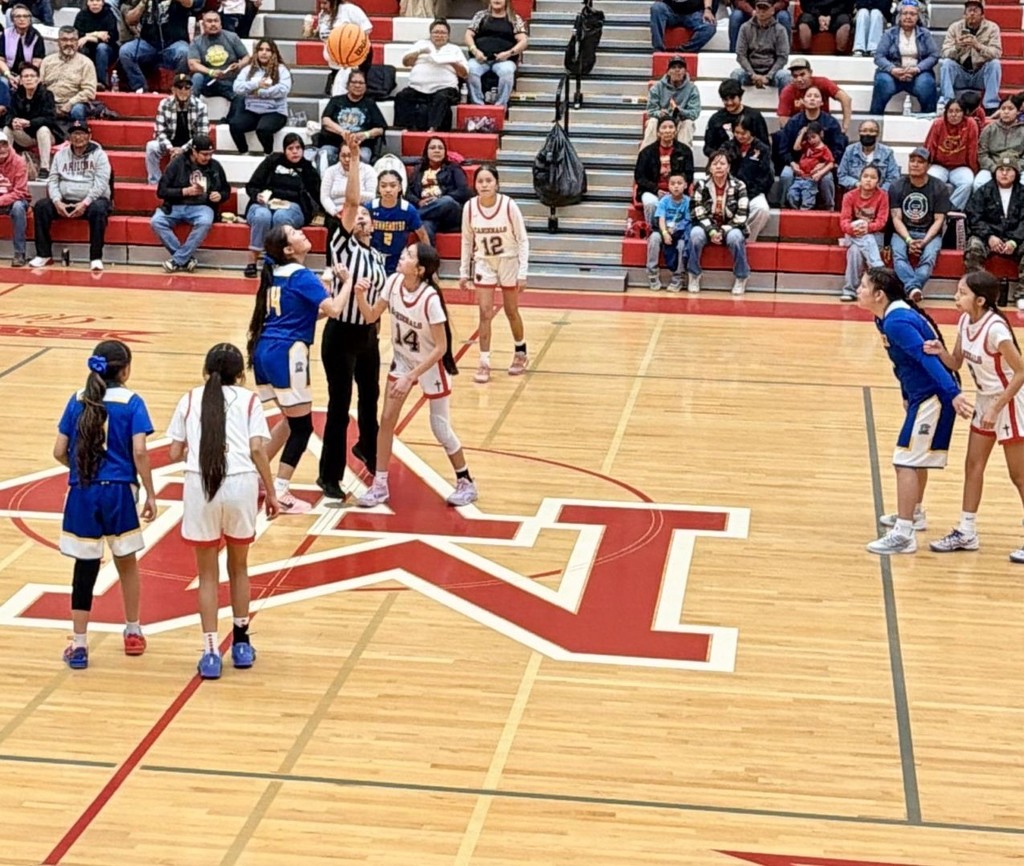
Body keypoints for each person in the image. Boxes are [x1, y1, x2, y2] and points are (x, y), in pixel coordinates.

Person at [166, 342, 280, 680]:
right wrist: (272, 491)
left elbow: (174, 453)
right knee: (239, 567)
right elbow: (257, 449)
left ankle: (211, 651)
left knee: (207, 574)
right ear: (241, 374)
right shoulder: (250, 401)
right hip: (240, 484)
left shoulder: (189, 399)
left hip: (201, 484)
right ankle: (241, 644)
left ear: (206, 371)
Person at [53, 340, 157, 669]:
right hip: (119, 493)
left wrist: (81, 470)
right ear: (125, 370)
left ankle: (79, 645)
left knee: (84, 567)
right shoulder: (132, 401)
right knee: (126, 562)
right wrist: (150, 492)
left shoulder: (77, 399)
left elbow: (58, 451)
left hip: (83, 492)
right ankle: (133, 631)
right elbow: (139, 451)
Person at [856, 267, 971, 555]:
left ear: (879, 295)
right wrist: (906, 394)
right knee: (913, 459)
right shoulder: (884, 318)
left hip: (934, 393)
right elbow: (901, 363)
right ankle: (914, 512)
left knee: (904, 460)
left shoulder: (897, 321)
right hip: (921, 393)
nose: (858, 290)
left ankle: (904, 534)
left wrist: (953, 394)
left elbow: (927, 357)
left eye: (863, 286)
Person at [355, 243, 478, 508]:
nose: (402, 255)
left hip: (429, 365)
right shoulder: (393, 282)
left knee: (439, 427)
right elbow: (371, 316)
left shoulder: (430, 299)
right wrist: (360, 296)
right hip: (403, 361)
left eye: (409, 255)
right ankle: (380, 485)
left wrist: (411, 376)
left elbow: (441, 347)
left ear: (420, 269)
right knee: (386, 420)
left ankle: (466, 481)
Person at [246, 224, 357, 513]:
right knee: (302, 427)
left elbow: (304, 314)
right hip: (287, 353)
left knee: (289, 419)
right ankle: (281, 489)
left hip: (265, 350)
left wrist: (327, 295)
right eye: (294, 232)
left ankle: (253, 475)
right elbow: (334, 310)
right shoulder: (301, 275)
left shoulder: (276, 274)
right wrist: (347, 283)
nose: (300, 232)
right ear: (288, 249)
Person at [922, 270, 1024, 560]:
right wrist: (940, 351)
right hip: (985, 399)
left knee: (1019, 475)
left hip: (1010, 401)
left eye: (962, 293)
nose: (956, 297)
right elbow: (956, 362)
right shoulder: (965, 320)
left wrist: (996, 407)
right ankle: (966, 531)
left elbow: (1021, 372)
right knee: (973, 465)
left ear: (980, 300)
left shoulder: (996, 329)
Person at [318, 136, 388, 500]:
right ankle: (329, 475)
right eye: (356, 215)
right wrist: (356, 159)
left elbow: (377, 300)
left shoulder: (376, 257)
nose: (360, 216)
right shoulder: (341, 244)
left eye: (365, 216)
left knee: (370, 399)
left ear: (372, 224)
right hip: (340, 335)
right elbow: (351, 200)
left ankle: (369, 451)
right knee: (339, 406)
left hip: (367, 335)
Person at [458, 164, 529, 383]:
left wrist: (523, 272)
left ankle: (521, 352)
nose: (484, 185)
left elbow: (523, 240)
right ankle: (484, 362)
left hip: (508, 261)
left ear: (497, 184)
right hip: (484, 262)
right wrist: (463, 272)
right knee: (484, 312)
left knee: (511, 310)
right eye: (480, 181)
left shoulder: (509, 205)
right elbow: (467, 241)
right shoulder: (470, 207)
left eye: (488, 180)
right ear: (475, 185)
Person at [29, 119, 111, 272]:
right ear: (69, 137)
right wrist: (57, 201)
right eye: (74, 134)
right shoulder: (60, 155)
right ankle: (43, 254)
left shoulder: (100, 155)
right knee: (41, 206)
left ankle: (96, 257)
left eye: (81, 133)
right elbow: (53, 180)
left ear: (89, 136)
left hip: (91, 200)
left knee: (99, 209)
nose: (78, 137)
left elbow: (101, 183)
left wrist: (85, 203)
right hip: (64, 200)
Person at [243, 133, 321, 277]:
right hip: (265, 203)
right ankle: (252, 261)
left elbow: (318, 194)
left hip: (292, 207)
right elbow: (251, 186)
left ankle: (276, 261)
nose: (295, 152)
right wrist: (257, 195)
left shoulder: (307, 168)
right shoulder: (272, 161)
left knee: (280, 217)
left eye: (298, 148)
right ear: (284, 150)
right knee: (262, 216)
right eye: (290, 148)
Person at [151, 134, 230, 273]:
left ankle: (178, 260)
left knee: (205, 222)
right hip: (174, 205)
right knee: (156, 221)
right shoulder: (176, 163)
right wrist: (184, 191)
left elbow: (226, 190)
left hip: (203, 206)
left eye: (210, 154)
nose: (208, 158)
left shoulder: (215, 166)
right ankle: (186, 259)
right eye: (204, 154)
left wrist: (220, 196)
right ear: (194, 151)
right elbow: (161, 191)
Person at [889, 147, 950, 301]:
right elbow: (896, 218)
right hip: (903, 231)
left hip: (929, 232)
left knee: (928, 258)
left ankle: (909, 289)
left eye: (920, 162)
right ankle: (914, 289)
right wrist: (909, 240)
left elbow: (939, 220)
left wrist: (924, 242)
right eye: (912, 161)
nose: (915, 164)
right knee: (898, 256)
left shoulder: (939, 187)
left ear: (928, 166)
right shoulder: (896, 186)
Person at [688, 149, 750, 295]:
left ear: (728, 167)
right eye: (715, 164)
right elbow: (697, 211)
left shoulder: (739, 185)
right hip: (707, 226)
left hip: (732, 227)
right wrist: (711, 230)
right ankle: (694, 275)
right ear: (710, 167)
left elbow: (742, 215)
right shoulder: (701, 185)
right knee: (695, 234)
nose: (719, 167)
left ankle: (741, 277)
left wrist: (722, 231)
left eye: (722, 163)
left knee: (735, 238)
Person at [394, 18, 467, 133]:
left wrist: (452, 61)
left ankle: (433, 128)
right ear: (430, 34)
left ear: (448, 35)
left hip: (444, 87)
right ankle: (406, 128)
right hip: (417, 88)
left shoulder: (454, 49)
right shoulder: (421, 44)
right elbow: (406, 62)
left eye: (443, 33)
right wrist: (419, 52)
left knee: (442, 97)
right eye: (436, 32)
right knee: (402, 96)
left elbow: (464, 74)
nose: (439, 35)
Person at [775, 87, 845, 204]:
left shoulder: (831, 123)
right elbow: (783, 149)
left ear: (822, 102)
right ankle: (783, 206)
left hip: (822, 164)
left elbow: (838, 149)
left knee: (827, 178)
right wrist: (792, 163)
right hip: (797, 163)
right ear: (803, 100)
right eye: (809, 96)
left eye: (816, 96)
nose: (812, 99)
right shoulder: (793, 122)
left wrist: (823, 164)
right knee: (786, 175)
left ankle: (829, 207)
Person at [964, 152, 1024, 284]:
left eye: (1008, 170)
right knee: (974, 247)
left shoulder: (1022, 192)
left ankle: (1022, 292)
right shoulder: (983, 191)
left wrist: (1014, 241)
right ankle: (976, 289)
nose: (1004, 173)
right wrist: (989, 236)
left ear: (1016, 173)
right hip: (987, 237)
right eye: (1001, 169)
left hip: (1016, 238)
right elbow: (974, 218)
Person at [869, 1, 938, 114]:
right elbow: (879, 56)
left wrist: (917, 69)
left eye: (912, 14)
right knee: (883, 81)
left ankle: (928, 117)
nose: (908, 17)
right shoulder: (889, 33)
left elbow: (934, 55)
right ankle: (874, 118)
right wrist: (892, 69)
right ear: (899, 16)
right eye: (905, 13)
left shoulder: (925, 34)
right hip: (893, 73)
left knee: (926, 83)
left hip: (917, 73)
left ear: (918, 17)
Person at [938, 0, 1002, 114]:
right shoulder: (955, 28)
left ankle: (991, 106)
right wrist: (957, 47)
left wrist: (978, 46)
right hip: (961, 73)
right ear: (964, 14)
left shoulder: (992, 28)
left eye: (975, 10)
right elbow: (945, 52)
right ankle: (949, 103)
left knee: (995, 64)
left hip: (980, 74)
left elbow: (997, 53)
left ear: (982, 15)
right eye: (969, 10)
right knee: (947, 63)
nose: (972, 13)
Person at [229, 38, 292, 155]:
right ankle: (244, 153)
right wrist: (256, 84)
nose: (264, 53)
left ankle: (268, 155)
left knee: (263, 129)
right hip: (252, 110)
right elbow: (237, 87)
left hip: (275, 112)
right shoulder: (248, 69)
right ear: (256, 52)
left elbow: (283, 90)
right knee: (234, 125)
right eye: (261, 49)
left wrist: (260, 92)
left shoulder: (282, 70)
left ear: (273, 53)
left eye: (268, 50)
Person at [145, 73, 209, 185]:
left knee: (203, 147)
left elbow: (202, 134)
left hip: (191, 145)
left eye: (187, 87)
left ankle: (198, 181)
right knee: (151, 147)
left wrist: (182, 149)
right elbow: (159, 131)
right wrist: (171, 148)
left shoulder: (201, 106)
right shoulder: (164, 104)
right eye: (179, 87)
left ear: (191, 90)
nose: (183, 90)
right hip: (170, 143)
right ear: (173, 90)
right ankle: (155, 183)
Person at [316, 68, 387, 169]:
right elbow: (325, 121)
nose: (357, 85)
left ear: (365, 86)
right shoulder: (336, 100)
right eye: (354, 82)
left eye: (361, 83)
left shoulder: (370, 104)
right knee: (325, 154)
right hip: (334, 143)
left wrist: (365, 134)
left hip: (360, 145)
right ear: (347, 85)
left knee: (364, 156)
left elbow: (380, 129)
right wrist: (342, 132)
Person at [119, 0, 195, 94]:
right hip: (148, 43)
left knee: (185, 52)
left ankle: (177, 88)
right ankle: (140, 87)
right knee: (126, 51)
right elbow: (130, 21)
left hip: (174, 43)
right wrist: (142, 3)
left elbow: (189, 3)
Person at [407, 136, 470, 244]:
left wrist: (438, 200)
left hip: (449, 213)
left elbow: (463, 191)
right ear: (426, 152)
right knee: (425, 228)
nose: (437, 150)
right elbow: (408, 193)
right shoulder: (418, 170)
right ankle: (430, 256)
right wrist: (419, 202)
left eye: (440, 148)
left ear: (445, 152)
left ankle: (409, 218)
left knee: (447, 201)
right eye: (433, 148)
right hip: (429, 214)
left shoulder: (453, 168)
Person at [839, 165, 888, 301]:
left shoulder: (883, 196)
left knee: (854, 251)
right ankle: (877, 267)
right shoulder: (849, 196)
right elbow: (844, 221)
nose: (868, 180)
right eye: (865, 176)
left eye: (873, 177)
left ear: (878, 181)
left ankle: (850, 290)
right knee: (859, 227)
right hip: (853, 234)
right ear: (860, 178)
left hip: (875, 235)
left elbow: (882, 221)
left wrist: (868, 228)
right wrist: (853, 230)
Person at [634, 117, 695, 227]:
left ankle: (677, 231)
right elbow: (639, 177)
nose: (667, 130)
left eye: (671, 127)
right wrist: (656, 189)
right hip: (652, 191)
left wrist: (675, 190)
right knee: (651, 203)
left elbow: (689, 175)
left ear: (675, 131)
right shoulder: (646, 152)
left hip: (678, 191)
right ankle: (654, 230)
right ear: (658, 132)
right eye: (664, 127)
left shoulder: (685, 151)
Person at [465, 0, 528, 107]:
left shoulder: (514, 18)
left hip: (504, 60)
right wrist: (475, 51)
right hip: (480, 59)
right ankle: (478, 105)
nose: (497, 0)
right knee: (470, 69)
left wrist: (509, 53)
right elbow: (468, 35)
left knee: (507, 72)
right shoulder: (480, 16)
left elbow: (523, 41)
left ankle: (500, 107)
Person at [4, 63, 60, 179]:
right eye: (25, 76)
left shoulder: (47, 95)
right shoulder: (16, 95)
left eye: (32, 76)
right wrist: (13, 121)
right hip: (26, 136)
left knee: (43, 130)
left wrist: (30, 123)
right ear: (20, 80)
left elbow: (50, 118)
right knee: (7, 129)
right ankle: (5, 165)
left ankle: (45, 168)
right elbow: (8, 115)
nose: (29, 79)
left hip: (47, 135)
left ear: (38, 79)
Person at [370, 169, 430, 274]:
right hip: (373, 259)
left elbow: (423, 235)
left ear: (400, 188)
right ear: (378, 188)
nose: (388, 190)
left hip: (399, 259)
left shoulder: (408, 209)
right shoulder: (370, 207)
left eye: (393, 186)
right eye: (383, 186)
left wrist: (429, 266)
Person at [308, 0, 372, 96]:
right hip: (334, 63)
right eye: (320, 3)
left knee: (350, 94)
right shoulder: (323, 15)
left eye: (325, 3)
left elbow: (367, 29)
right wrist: (311, 32)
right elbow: (325, 36)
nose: (322, 6)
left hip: (353, 62)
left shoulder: (350, 10)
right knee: (335, 94)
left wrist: (350, 42)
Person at [723, 118, 772, 241]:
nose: (740, 136)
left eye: (743, 133)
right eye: (737, 132)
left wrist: (746, 196)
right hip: (729, 191)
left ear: (751, 132)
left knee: (762, 209)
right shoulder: (727, 146)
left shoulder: (763, 149)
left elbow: (765, 177)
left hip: (752, 192)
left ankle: (747, 240)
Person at [924, 99, 978, 211]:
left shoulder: (970, 124)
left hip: (960, 166)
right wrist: (926, 167)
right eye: (950, 111)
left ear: (963, 113)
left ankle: (952, 210)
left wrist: (974, 170)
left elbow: (972, 150)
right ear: (946, 112)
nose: (954, 115)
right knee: (930, 181)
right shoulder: (938, 123)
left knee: (968, 182)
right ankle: (933, 210)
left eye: (958, 111)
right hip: (939, 165)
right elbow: (930, 147)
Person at [188, 9, 249, 103]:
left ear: (221, 23)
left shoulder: (232, 37)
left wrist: (239, 65)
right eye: (209, 21)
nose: (213, 24)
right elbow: (193, 64)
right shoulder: (197, 41)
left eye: (216, 21)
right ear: (203, 25)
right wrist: (211, 72)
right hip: (209, 82)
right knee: (197, 77)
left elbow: (247, 57)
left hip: (230, 79)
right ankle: (191, 106)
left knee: (239, 88)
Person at [777, 58, 852, 135]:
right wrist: (797, 136)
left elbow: (846, 98)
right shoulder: (788, 91)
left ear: (810, 73)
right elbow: (783, 119)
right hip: (798, 129)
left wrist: (844, 127)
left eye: (802, 75)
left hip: (823, 127)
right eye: (795, 76)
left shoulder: (822, 82)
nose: (799, 79)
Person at [39, 27, 97, 124]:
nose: (69, 43)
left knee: (78, 110)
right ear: (58, 42)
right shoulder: (47, 61)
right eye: (64, 40)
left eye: (73, 40)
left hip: (74, 103)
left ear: (77, 42)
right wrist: (50, 105)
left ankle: (78, 132)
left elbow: (89, 91)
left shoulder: (86, 63)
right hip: (50, 103)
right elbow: (40, 86)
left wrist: (70, 103)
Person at [731, 1, 793, 92]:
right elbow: (740, 54)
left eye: (765, 8)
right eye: (759, 8)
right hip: (750, 72)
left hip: (773, 72)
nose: (761, 11)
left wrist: (769, 76)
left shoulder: (780, 30)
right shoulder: (745, 28)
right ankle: (734, 100)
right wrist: (752, 74)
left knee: (786, 76)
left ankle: (785, 101)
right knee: (736, 74)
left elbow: (783, 57)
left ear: (772, 10)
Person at [643, 54, 701, 148]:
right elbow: (651, 111)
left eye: (680, 67)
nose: (677, 70)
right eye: (673, 67)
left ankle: (683, 155)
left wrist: (679, 111)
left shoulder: (692, 89)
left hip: (680, 122)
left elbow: (694, 113)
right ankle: (647, 154)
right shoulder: (657, 88)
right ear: (668, 72)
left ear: (685, 71)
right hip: (661, 122)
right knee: (652, 122)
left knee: (688, 123)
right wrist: (660, 113)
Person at [646, 170, 690, 291]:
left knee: (682, 245)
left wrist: (674, 229)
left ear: (685, 185)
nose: (676, 186)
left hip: (679, 233)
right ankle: (652, 273)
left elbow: (687, 220)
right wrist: (665, 233)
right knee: (654, 238)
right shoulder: (664, 201)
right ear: (668, 186)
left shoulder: (688, 202)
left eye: (679, 183)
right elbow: (661, 218)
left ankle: (678, 276)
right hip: (664, 230)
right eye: (672, 183)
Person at [704, 78, 770, 157]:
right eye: (725, 99)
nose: (729, 103)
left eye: (732, 98)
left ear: (740, 96)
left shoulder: (755, 116)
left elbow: (765, 145)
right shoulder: (716, 119)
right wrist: (720, 156)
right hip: (724, 161)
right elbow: (708, 148)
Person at [319, 137, 377, 227]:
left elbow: (371, 196)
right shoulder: (330, 171)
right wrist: (334, 211)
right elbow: (324, 197)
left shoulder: (368, 170)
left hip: (359, 211)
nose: (346, 159)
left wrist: (350, 196)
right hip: (336, 212)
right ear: (339, 156)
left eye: (350, 155)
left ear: (357, 155)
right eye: (343, 156)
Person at [836, 119, 900, 195]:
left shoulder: (887, 152)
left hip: (880, 195)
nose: (867, 133)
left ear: (877, 134)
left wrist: (880, 191)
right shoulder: (850, 150)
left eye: (872, 131)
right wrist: (857, 184)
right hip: (854, 193)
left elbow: (893, 178)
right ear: (859, 132)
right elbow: (841, 175)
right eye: (864, 130)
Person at [973, 98, 1024, 189]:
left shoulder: (1022, 130)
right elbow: (982, 154)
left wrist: (1016, 168)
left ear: (1018, 111)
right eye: (1003, 109)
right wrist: (994, 168)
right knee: (979, 183)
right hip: (993, 165)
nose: (1006, 112)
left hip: (1017, 166)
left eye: (1010, 109)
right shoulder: (989, 129)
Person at [785, 121, 836, 210]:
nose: (811, 140)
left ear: (821, 134)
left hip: (811, 179)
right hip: (800, 177)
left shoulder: (824, 149)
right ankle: (795, 211)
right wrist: (802, 133)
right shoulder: (807, 145)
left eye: (813, 137)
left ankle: (805, 213)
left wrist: (819, 173)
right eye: (809, 138)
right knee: (791, 194)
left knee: (808, 197)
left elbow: (831, 163)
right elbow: (796, 148)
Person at [0, 5, 44, 101]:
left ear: (30, 19)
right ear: (13, 20)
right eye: (18, 16)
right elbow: (1, 60)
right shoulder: (6, 34)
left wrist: (22, 77)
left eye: (25, 16)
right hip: (8, 72)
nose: (22, 19)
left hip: (29, 74)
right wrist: (8, 75)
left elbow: (36, 63)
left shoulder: (36, 37)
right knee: (3, 82)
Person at [73, 0, 120, 89]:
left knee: (101, 48)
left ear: (102, 2)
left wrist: (88, 37)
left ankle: (101, 82)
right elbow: (76, 34)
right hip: (87, 48)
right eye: (91, 0)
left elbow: (111, 37)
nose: (95, 3)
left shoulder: (109, 14)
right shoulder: (82, 15)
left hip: (108, 51)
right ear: (87, 3)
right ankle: (82, 83)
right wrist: (96, 34)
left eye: (98, 0)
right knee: (80, 46)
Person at [0, 136, 29, 266]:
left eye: (4, 145)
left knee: (18, 208)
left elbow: (20, 191)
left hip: (16, 200)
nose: (2, 149)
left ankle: (19, 253)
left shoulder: (19, 162)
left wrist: (1, 200)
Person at [649, 0, 717, 53]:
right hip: (671, 11)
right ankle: (658, 50)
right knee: (656, 8)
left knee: (709, 27)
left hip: (693, 13)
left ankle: (682, 51)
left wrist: (708, 9)